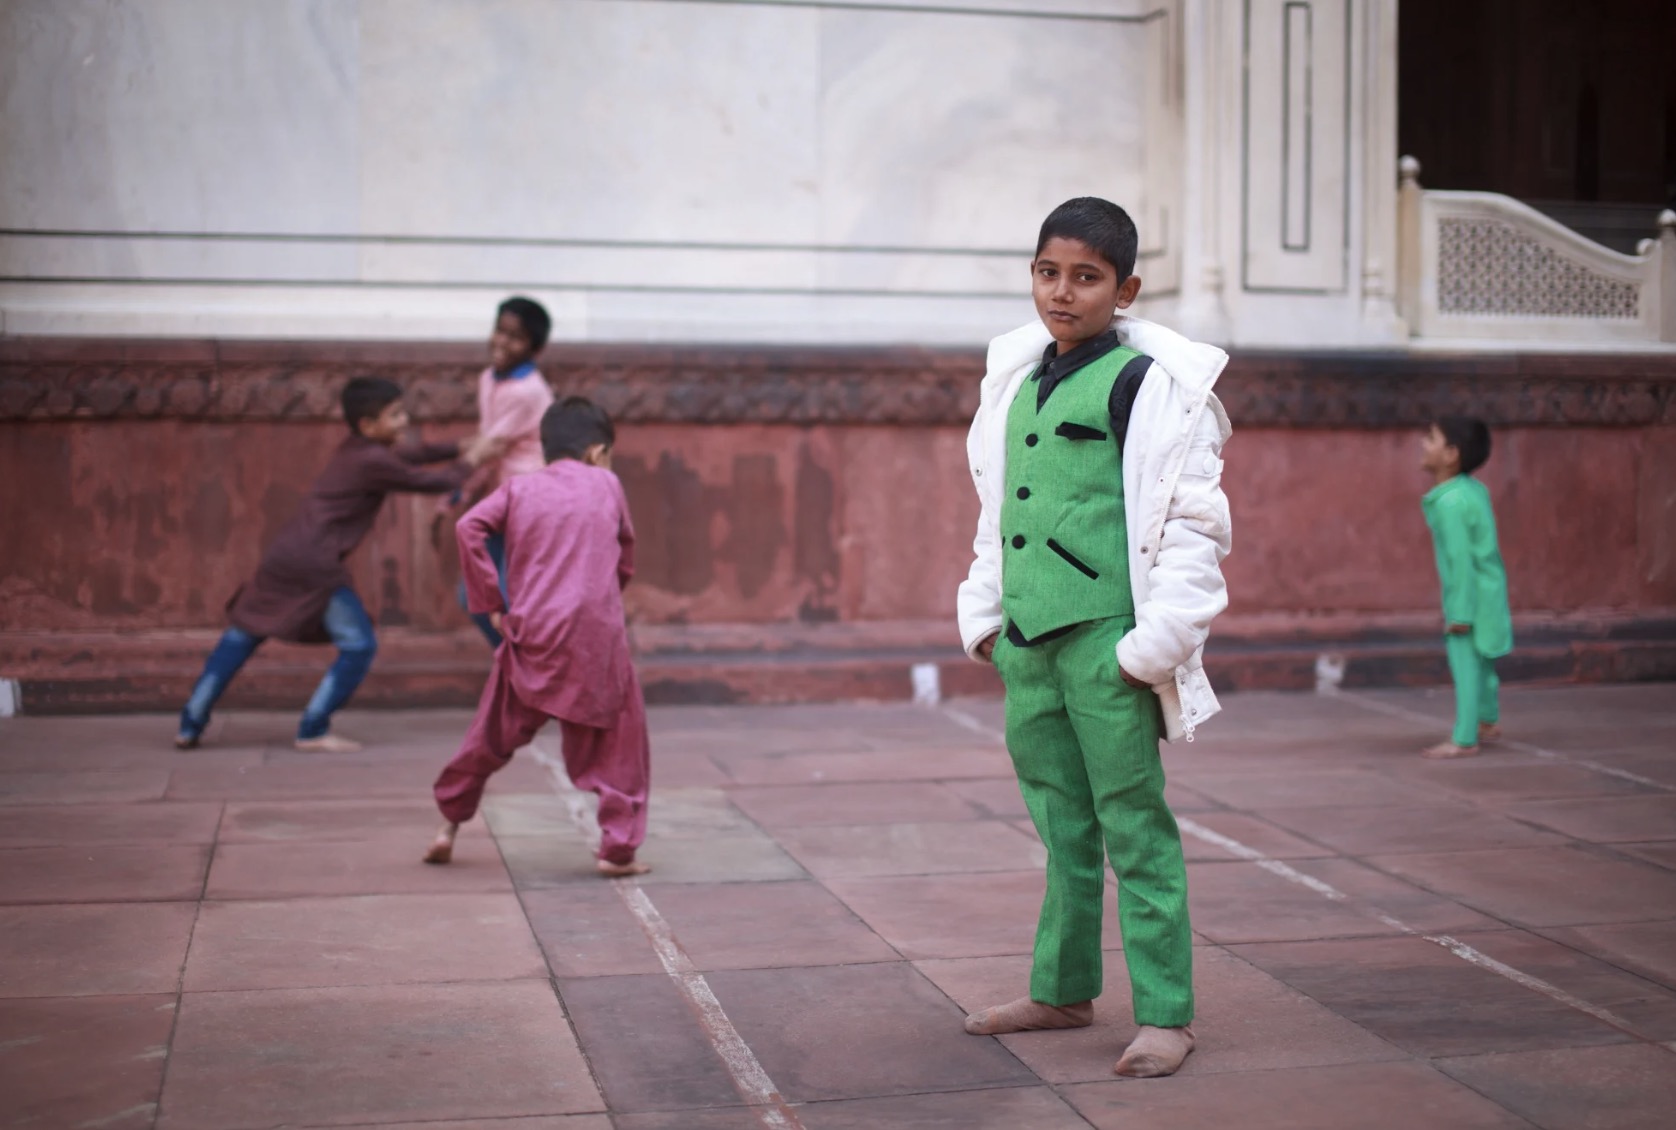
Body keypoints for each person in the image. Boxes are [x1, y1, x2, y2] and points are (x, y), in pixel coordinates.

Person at [955, 197, 1233, 1079]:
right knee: (1060, 825)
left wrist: (1146, 650)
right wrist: (988, 625)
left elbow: (1189, 525)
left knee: (1134, 826)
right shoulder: (1015, 379)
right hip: (1028, 644)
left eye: (1085, 277)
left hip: (1107, 642)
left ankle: (1166, 1013)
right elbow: (997, 512)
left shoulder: (1147, 387)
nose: (1062, 293)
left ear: (1126, 288)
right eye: (1048, 273)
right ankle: (1063, 989)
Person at [176, 378, 495, 752]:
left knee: (245, 632)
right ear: (367, 425)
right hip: (317, 563)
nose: (403, 421)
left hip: (286, 554)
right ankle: (313, 728)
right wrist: (474, 459)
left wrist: (459, 446)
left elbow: (412, 454)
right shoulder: (374, 460)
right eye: (394, 416)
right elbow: (429, 480)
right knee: (358, 645)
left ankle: (190, 723)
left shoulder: (357, 450)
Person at [424, 397, 651, 878]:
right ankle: (617, 850)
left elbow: (469, 527)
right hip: (596, 641)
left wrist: (492, 603)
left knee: (489, 734)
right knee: (618, 741)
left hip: (533, 634)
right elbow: (624, 555)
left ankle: (447, 826)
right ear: (596, 452)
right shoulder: (608, 484)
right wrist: (604, 599)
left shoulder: (519, 488)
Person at [450, 296, 557, 648]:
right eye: (500, 331)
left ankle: (533, 673)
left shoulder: (527, 391)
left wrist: (450, 484)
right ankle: (521, 668)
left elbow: (487, 448)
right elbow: (488, 444)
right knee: (477, 597)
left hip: (530, 505)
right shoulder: (489, 379)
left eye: (516, 337)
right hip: (503, 503)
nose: (502, 342)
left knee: (510, 601)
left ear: (534, 349)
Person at [1419, 416, 1512, 758]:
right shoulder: (1472, 491)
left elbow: (1459, 562)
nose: (1423, 444)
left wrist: (1459, 612)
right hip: (1490, 591)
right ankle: (1488, 719)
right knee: (1485, 661)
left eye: (1431, 438)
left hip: (1469, 599)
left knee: (1466, 666)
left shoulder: (1449, 503)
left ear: (1451, 454)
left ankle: (1464, 737)